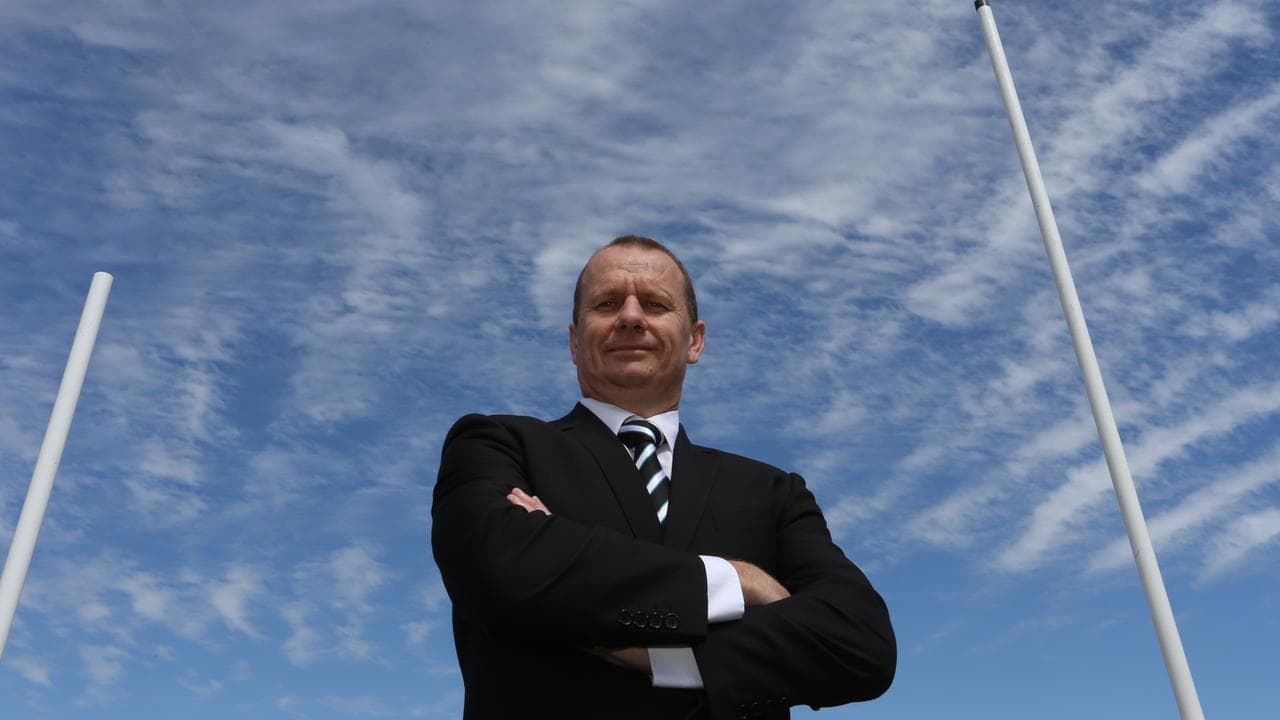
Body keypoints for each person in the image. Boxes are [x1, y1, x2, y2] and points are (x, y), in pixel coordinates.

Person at [432, 235, 895, 719]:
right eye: (607, 303)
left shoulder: (773, 491)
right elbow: (498, 568)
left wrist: (658, 657)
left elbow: (861, 643)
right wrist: (738, 580)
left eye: (654, 304)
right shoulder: (498, 443)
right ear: (574, 340)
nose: (631, 317)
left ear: (694, 340)